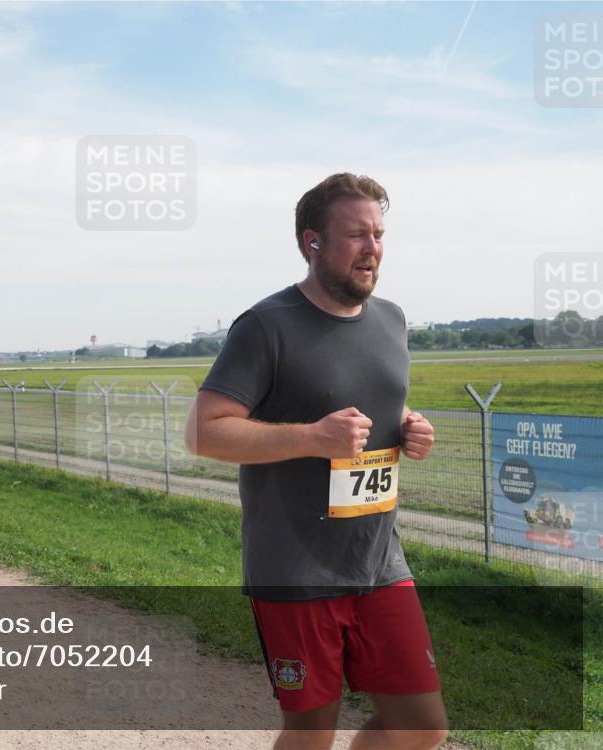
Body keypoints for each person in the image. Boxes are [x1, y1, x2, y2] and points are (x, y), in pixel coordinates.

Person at [186, 174, 447, 750]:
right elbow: (204, 432)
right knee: (310, 736)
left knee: (423, 726)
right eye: (356, 235)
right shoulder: (266, 325)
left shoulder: (393, 320)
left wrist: (410, 426)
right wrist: (311, 437)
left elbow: (382, 398)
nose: (372, 248)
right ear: (313, 242)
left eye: (378, 234)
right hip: (295, 572)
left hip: (380, 563)